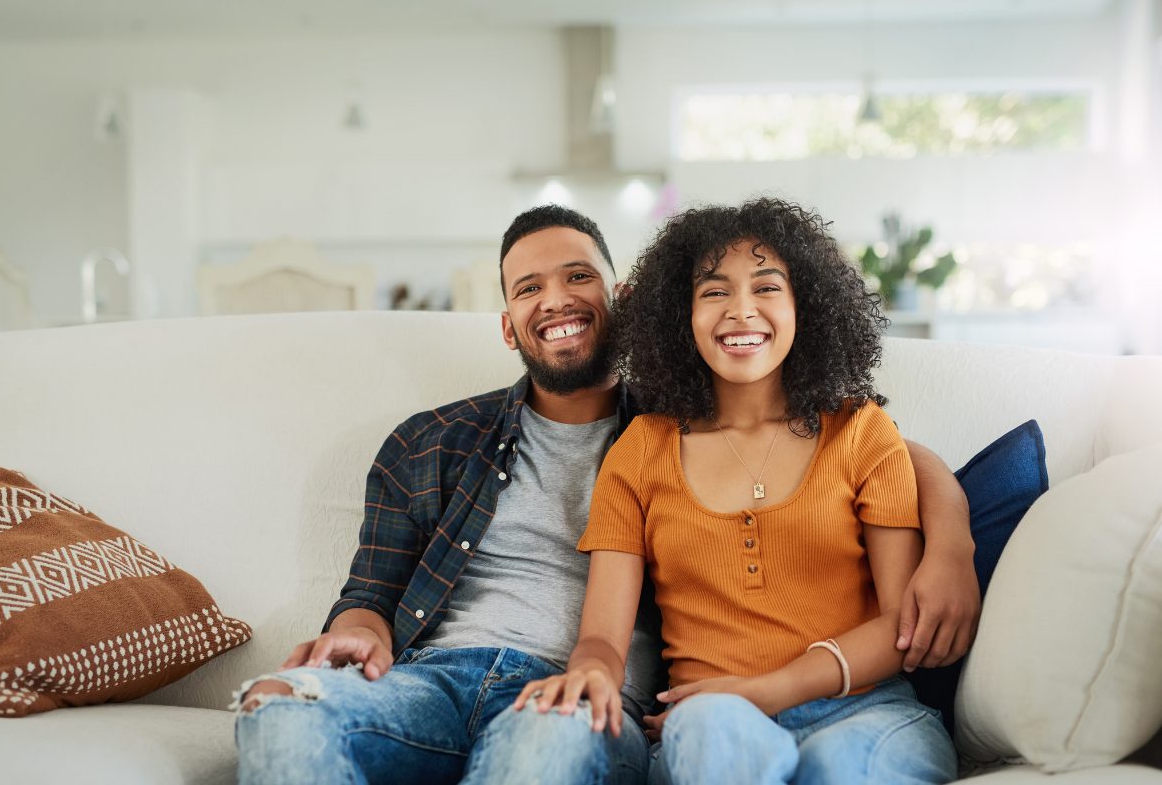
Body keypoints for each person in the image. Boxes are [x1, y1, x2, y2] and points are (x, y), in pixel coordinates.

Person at [233, 204, 976, 785]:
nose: (555, 299)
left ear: (625, 301)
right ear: (506, 325)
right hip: (435, 683)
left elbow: (889, 456)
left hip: (583, 701)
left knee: (551, 746)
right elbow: (370, 591)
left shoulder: (676, 422)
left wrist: (952, 542)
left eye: (577, 276)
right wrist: (359, 629)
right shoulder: (435, 443)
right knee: (275, 705)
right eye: (529, 288)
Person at [515, 198, 961, 784]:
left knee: (841, 767)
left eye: (767, 287)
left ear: (807, 307)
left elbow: (900, 625)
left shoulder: (859, 431)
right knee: (712, 733)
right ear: (682, 316)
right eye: (714, 291)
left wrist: (766, 692)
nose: (741, 311)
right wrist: (591, 670)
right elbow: (601, 635)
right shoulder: (642, 449)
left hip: (868, 709)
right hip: (711, 716)